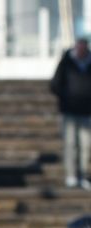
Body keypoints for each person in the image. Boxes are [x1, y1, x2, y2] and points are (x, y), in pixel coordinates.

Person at [51, 38, 91, 189]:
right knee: (70, 144)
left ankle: (82, 174)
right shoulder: (66, 63)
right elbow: (55, 84)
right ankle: (71, 175)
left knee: (86, 146)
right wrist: (65, 98)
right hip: (69, 111)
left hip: (86, 111)